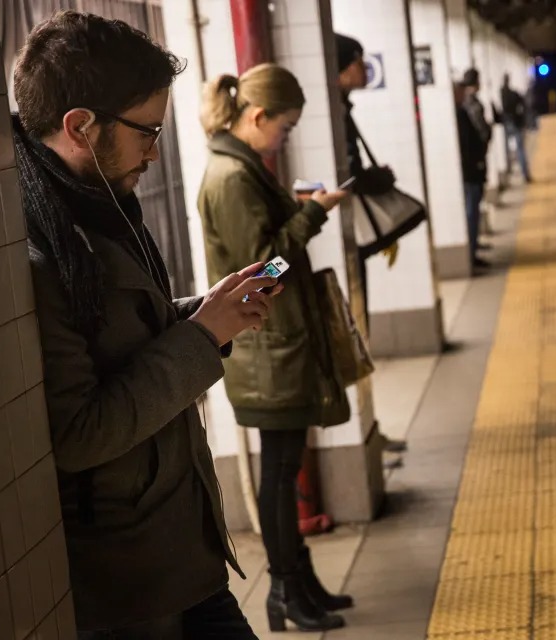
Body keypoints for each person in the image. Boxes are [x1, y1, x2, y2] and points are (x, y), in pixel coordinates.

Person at [13, 11, 279, 639]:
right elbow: (79, 431)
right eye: (147, 132)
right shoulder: (40, 250)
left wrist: (202, 311)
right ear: (81, 126)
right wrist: (201, 334)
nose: (155, 153)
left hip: (178, 545)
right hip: (128, 580)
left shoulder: (97, 206)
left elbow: (123, 339)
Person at [197, 63, 351, 633]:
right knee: (280, 474)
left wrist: (296, 205)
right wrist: (313, 214)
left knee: (285, 471)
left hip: (276, 348)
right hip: (267, 352)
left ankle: (300, 583)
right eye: (284, 128)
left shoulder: (243, 169)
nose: (285, 139)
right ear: (257, 117)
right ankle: (285, 591)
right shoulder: (231, 178)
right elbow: (266, 271)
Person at [334, 32, 408, 455]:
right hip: (341, 247)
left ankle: (369, 427)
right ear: (344, 67)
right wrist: (381, 179)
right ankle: (364, 431)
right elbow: (347, 178)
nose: (366, 70)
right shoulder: (335, 114)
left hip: (349, 242)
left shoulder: (340, 109)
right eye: (360, 61)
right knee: (356, 330)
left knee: (360, 329)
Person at [458, 69, 492, 269]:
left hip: (471, 167)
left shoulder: (465, 106)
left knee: (473, 208)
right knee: (472, 209)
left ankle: (473, 249)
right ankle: (471, 253)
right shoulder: (471, 106)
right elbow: (480, 133)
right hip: (472, 168)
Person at [501, 73, 532, 183]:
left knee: (507, 149)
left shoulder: (501, 94)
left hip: (506, 123)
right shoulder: (513, 94)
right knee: (520, 149)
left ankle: (509, 169)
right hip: (515, 123)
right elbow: (523, 102)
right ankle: (525, 173)